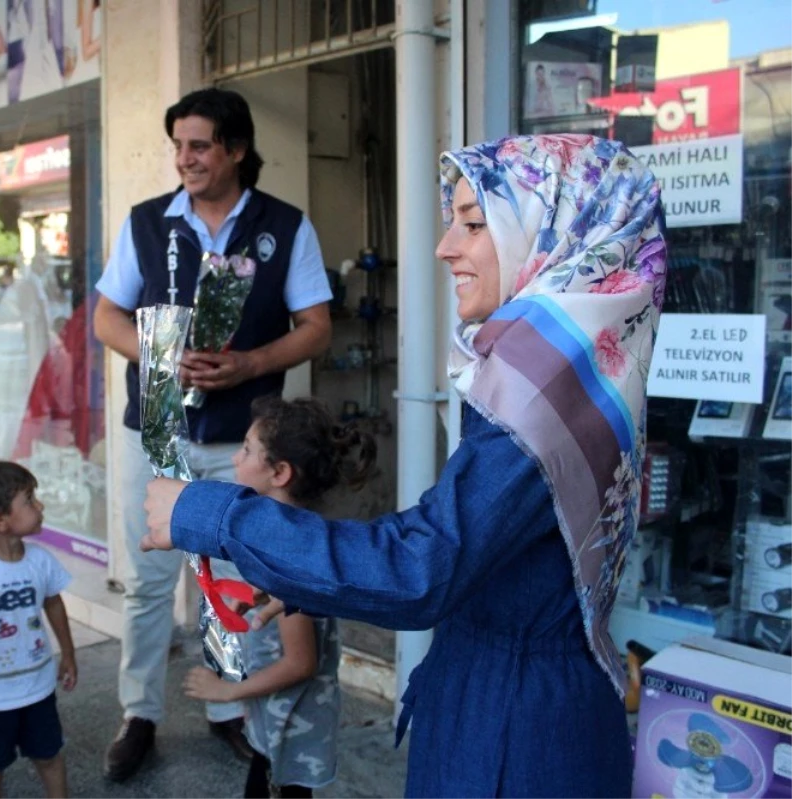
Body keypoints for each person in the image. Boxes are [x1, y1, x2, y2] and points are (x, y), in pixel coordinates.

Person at [141, 134, 667, 797]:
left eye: (474, 223)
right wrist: (306, 577)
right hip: (525, 700)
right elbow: (485, 559)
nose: (447, 246)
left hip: (514, 732)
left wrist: (206, 510)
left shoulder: (542, 408)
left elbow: (420, 568)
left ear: (556, 239)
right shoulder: (576, 377)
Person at [92, 86, 332, 780]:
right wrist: (157, 352)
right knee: (148, 582)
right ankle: (139, 712)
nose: (185, 159)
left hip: (245, 444)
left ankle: (228, 708)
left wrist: (253, 362)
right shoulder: (147, 223)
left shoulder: (285, 225)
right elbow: (106, 316)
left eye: (199, 145)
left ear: (235, 149)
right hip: (160, 433)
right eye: (178, 146)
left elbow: (317, 327)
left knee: (230, 580)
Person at [183, 396, 374, 798]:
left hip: (291, 728)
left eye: (248, 450)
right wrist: (255, 595)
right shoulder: (294, 535)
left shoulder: (288, 555)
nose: (236, 458)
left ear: (281, 472)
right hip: (277, 719)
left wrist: (227, 692)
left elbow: (300, 662)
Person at [0, 460, 77, 799]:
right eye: (29, 500)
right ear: (0, 521)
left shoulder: (41, 561)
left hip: (38, 688)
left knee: (49, 756)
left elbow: (53, 604)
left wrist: (68, 654)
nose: (39, 506)